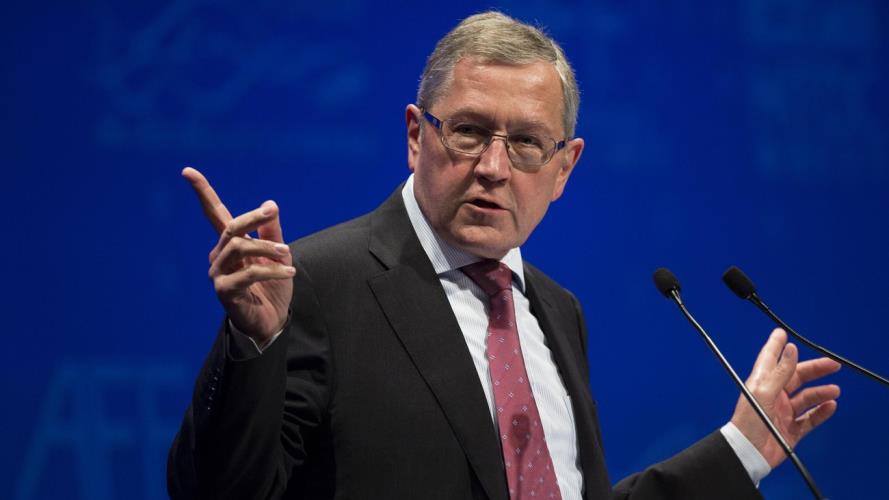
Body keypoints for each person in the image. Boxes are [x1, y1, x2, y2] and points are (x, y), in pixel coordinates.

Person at [168, 11, 841, 500]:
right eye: (468, 131)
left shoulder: (557, 311)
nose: (493, 167)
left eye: (525, 143)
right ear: (415, 135)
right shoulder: (318, 281)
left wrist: (742, 448)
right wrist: (254, 347)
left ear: (563, 168)